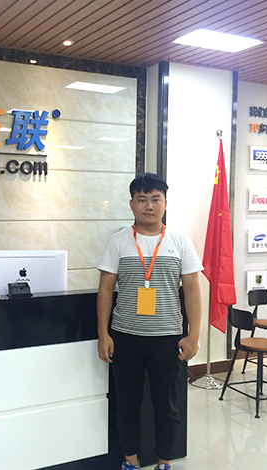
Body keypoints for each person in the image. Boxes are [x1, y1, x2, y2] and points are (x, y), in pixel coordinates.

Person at [97, 173, 202, 470]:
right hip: (125, 337)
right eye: (142, 199)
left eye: (156, 199)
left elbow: (193, 291)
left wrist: (193, 335)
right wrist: (103, 334)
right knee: (127, 404)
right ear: (132, 204)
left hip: (168, 339)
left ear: (165, 203)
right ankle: (130, 460)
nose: (149, 206)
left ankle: (164, 461)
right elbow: (105, 289)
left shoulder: (179, 242)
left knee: (166, 406)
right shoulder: (118, 241)